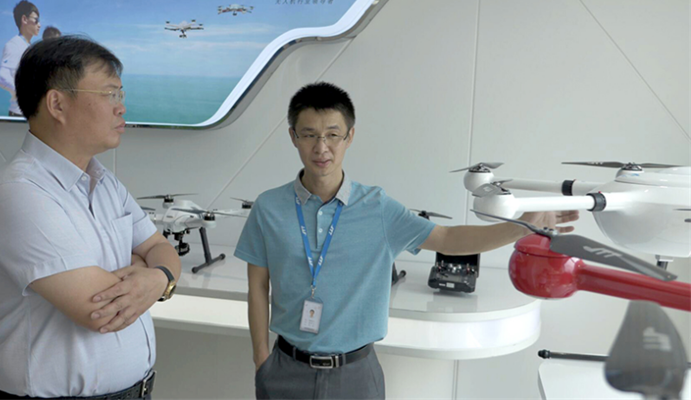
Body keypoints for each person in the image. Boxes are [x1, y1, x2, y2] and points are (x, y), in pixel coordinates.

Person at [235, 82, 579, 399]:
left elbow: (448, 238)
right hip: (285, 372)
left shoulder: (377, 208)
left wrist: (522, 226)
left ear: (350, 137)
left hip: (355, 376)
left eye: (332, 135)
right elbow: (257, 287)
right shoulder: (268, 207)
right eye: (309, 135)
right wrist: (261, 359)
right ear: (293, 137)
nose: (321, 147)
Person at [0, 36, 181, 399]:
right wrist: (150, 272)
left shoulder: (105, 182)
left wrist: (158, 276)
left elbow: (160, 248)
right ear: (57, 103)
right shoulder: (16, 192)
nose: (121, 107)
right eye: (109, 94)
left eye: (121, 94)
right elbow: (101, 309)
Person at [0, 0, 40, 117]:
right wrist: (23, 92)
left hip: (28, 112)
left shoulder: (28, 46)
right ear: (24, 19)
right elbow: (2, 77)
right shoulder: (13, 45)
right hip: (18, 113)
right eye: (36, 20)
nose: (39, 24)